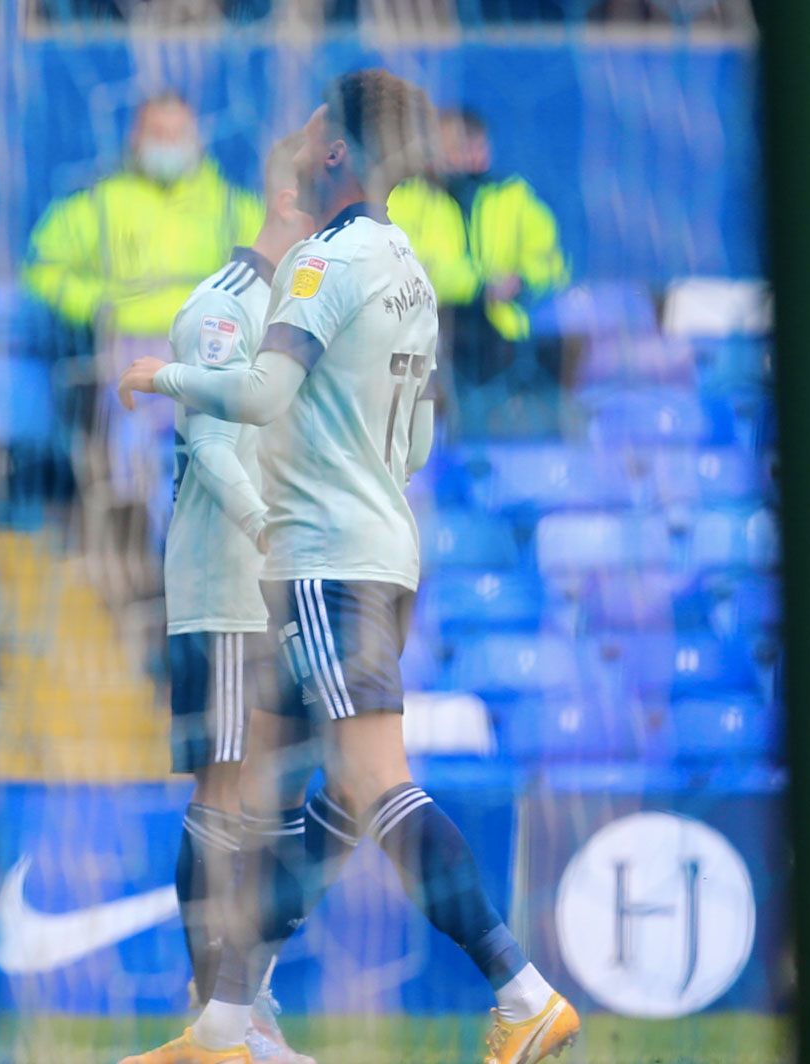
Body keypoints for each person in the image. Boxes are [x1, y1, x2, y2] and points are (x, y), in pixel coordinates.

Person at [118, 70, 579, 1064]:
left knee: (371, 785)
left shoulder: (329, 263)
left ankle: (521, 987)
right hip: (383, 544)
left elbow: (263, 390)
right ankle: (225, 1025)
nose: (298, 132)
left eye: (314, 122)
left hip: (327, 558)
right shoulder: (409, 259)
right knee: (295, 799)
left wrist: (167, 377)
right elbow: (412, 444)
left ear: (334, 151)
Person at [159, 130, 321, 1064]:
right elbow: (213, 442)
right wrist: (271, 528)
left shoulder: (309, 309)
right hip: (227, 586)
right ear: (292, 205)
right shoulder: (221, 309)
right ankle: (218, 1014)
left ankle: (243, 1002)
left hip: (290, 584)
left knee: (279, 802)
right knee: (226, 789)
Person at [25, 92, 264, 559]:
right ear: (135, 139)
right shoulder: (99, 204)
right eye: (158, 135)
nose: (168, 145)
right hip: (131, 354)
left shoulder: (232, 207)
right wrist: (98, 305)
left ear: (197, 139)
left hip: (213, 357)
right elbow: (42, 268)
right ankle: (153, 572)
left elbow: (279, 274)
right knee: (139, 475)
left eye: (177, 135)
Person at [387, 107, 567, 391]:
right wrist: (480, 285)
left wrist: (523, 280)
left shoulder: (515, 198)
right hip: (432, 341)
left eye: (477, 146)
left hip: (505, 340)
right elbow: (408, 269)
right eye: (457, 146)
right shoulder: (405, 201)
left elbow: (551, 260)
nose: (469, 156)